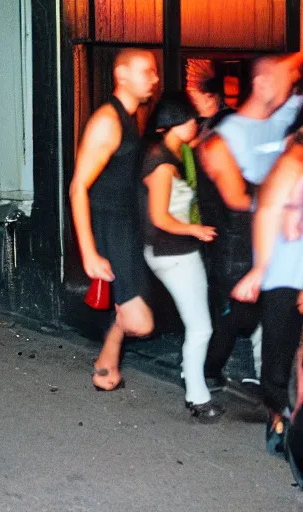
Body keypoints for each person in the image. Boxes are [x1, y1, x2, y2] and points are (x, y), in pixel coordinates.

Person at [198, 55, 303, 393]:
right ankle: (206, 371)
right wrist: (283, 198)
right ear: (262, 84)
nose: (290, 86)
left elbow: (288, 67)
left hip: (280, 240)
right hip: (237, 243)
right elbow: (236, 199)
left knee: (275, 317)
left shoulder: (284, 115)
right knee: (237, 317)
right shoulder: (224, 138)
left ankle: (269, 389)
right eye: (283, 80)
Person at [70, 49, 158, 390]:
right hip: (109, 226)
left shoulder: (130, 116)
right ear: (121, 74)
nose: (154, 77)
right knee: (141, 322)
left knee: (140, 317)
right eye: (146, 71)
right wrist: (89, 253)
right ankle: (108, 353)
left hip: (126, 224)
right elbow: (78, 187)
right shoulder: (108, 120)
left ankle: (106, 365)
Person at [141, 92, 223, 421]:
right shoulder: (161, 163)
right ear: (175, 123)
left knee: (197, 325)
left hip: (169, 251)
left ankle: (193, 378)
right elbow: (160, 217)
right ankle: (197, 396)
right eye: (192, 120)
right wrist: (196, 231)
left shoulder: (170, 153)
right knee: (201, 328)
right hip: (174, 252)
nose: (197, 125)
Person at [232, 130, 303, 457]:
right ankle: (279, 419)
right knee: (279, 353)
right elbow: (267, 216)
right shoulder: (287, 164)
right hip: (283, 275)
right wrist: (260, 271)